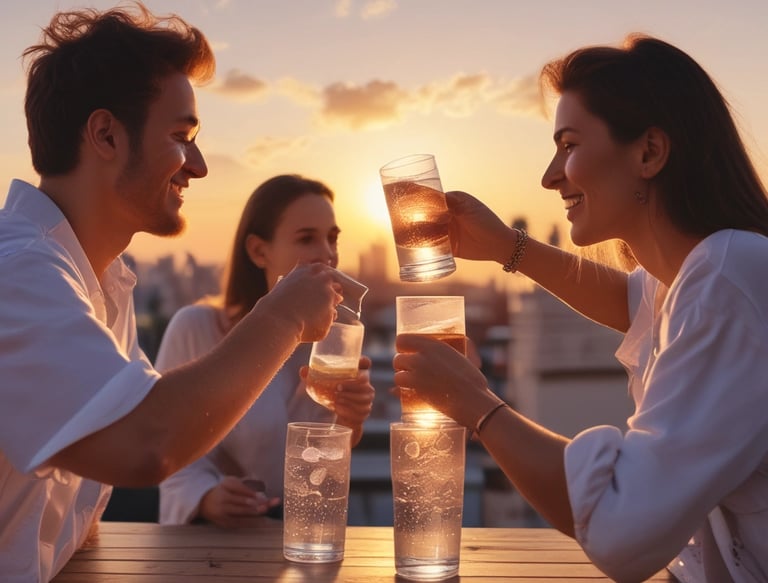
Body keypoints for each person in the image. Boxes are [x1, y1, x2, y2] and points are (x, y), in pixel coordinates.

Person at [393, 34, 768, 582]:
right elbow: (632, 300)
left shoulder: (727, 274)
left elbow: (621, 531)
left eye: (568, 145)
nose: (549, 175)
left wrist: (475, 404)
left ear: (649, 152)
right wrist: (505, 246)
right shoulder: (702, 272)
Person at [0, 5, 342, 581]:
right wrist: (280, 317)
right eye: (182, 137)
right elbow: (145, 443)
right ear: (106, 134)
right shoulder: (21, 274)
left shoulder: (103, 280)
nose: (200, 166)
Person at [157, 174, 375, 527]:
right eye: (307, 239)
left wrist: (351, 421)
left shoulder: (334, 341)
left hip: (300, 540)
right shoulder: (196, 327)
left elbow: (321, 468)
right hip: (210, 546)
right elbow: (163, 439)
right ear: (259, 251)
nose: (327, 254)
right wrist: (206, 496)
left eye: (332, 239)